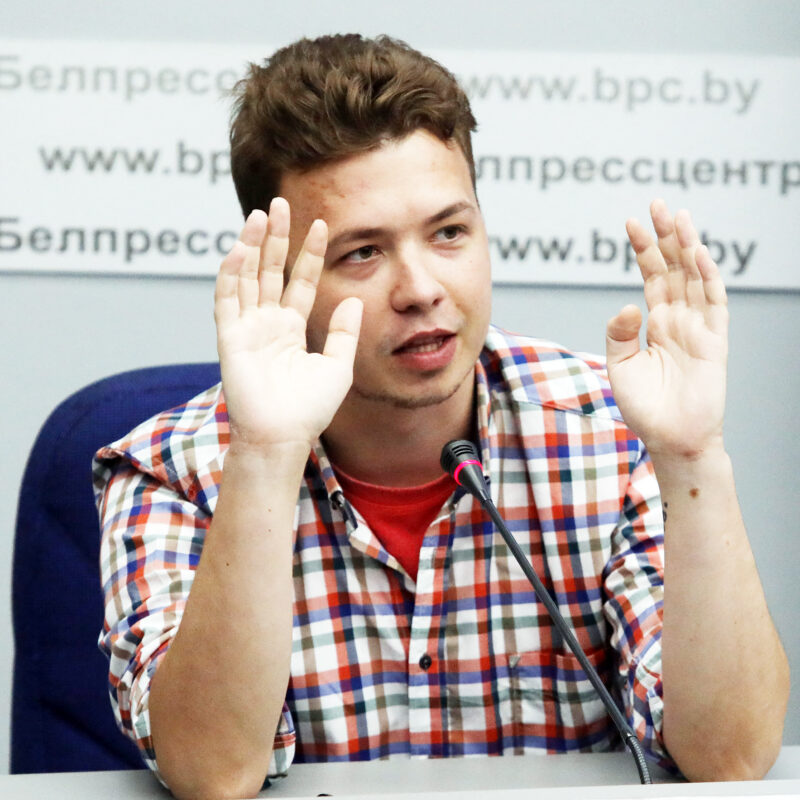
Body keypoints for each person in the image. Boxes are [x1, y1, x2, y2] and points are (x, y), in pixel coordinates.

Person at [94, 34, 789, 800]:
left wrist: (692, 456)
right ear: (282, 277)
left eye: (449, 232)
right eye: (362, 252)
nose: (421, 288)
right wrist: (264, 455)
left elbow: (729, 759)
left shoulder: (611, 427)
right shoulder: (169, 470)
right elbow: (213, 773)